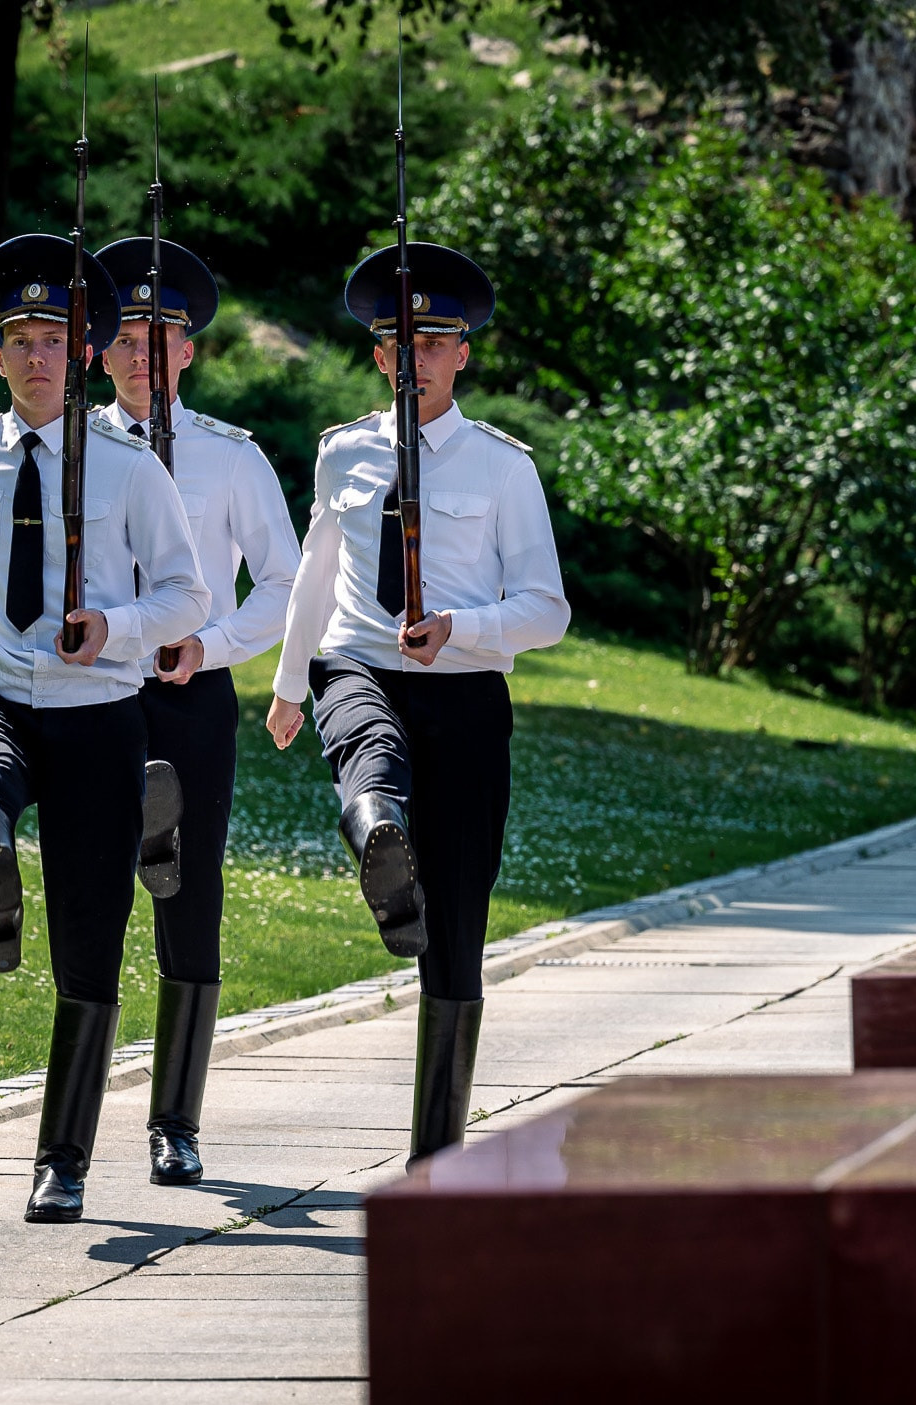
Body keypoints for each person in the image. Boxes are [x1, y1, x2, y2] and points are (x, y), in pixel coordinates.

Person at [0, 234, 209, 1223]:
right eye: (19, 338)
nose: (36, 355)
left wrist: (113, 626)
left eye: (54, 339)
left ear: (83, 353)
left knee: (91, 938)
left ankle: (62, 1159)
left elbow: (188, 594)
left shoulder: (127, 468)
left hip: (95, 709)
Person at [263, 242, 569, 1166]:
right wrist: (286, 683)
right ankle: (379, 842)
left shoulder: (503, 469)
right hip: (359, 664)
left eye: (434, 341)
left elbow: (548, 610)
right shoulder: (342, 453)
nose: (416, 358)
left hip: (467, 698)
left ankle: (434, 1153)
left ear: (462, 354)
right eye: (399, 341)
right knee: (371, 762)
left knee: (459, 932)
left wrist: (464, 628)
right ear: (379, 355)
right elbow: (317, 571)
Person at [92, 236, 301, 1187]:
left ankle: (174, 1121)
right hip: (90, 696)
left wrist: (208, 647)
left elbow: (286, 582)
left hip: (188, 694)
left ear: (189, 351)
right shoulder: (67, 453)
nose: (143, 351)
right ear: (99, 347)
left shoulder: (229, 458)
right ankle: (71, 1128)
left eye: (161, 335)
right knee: (92, 897)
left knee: (188, 895)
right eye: (127, 333)